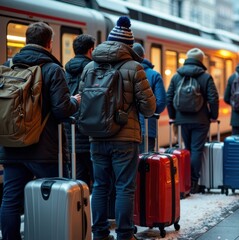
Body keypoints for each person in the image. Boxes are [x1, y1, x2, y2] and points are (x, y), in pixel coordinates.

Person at [0, 21, 81, 240]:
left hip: (12, 146)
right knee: (52, 196)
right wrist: (75, 101)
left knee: (10, 200)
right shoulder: (53, 69)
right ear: (49, 43)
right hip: (44, 148)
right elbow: (62, 109)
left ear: (27, 41)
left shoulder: (9, 66)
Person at [86, 16, 156, 240]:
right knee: (125, 187)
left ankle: (99, 233)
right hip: (125, 138)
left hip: (96, 136)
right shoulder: (134, 67)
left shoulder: (90, 66)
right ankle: (125, 234)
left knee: (100, 186)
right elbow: (149, 108)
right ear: (128, 44)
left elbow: (83, 101)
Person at [166, 48, 219, 194]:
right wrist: (213, 115)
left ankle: (185, 181)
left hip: (182, 120)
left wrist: (173, 116)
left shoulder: (177, 76)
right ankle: (194, 182)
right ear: (201, 60)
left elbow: (168, 97)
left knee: (187, 149)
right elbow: (213, 98)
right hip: (200, 119)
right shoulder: (205, 77)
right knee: (196, 150)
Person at [64, 34, 96, 191]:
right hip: (90, 132)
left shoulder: (65, 70)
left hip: (70, 134)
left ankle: (80, 215)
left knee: (78, 180)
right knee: (98, 180)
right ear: (91, 50)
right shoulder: (94, 70)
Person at [132, 43, 166, 153]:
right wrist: (148, 111)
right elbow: (161, 102)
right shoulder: (154, 75)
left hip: (126, 130)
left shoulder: (123, 72)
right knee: (147, 163)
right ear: (144, 56)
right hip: (147, 128)